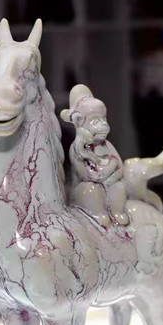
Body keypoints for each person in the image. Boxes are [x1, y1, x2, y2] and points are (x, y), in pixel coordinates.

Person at [61, 85, 129, 227]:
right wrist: (107, 170)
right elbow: (84, 175)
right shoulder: (77, 149)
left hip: (107, 181)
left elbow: (120, 167)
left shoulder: (107, 145)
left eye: (104, 119)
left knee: (119, 187)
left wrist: (112, 175)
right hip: (88, 186)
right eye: (95, 121)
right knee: (91, 189)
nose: (103, 125)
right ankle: (98, 214)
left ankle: (117, 212)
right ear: (79, 121)